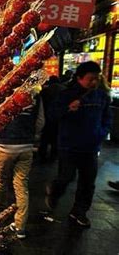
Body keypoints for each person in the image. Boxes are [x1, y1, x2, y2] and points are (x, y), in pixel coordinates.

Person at [45, 61, 112, 228]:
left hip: (91, 147)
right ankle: (54, 191)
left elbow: (107, 117)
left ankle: (79, 212)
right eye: (90, 79)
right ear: (79, 78)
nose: (94, 82)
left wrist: (101, 133)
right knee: (66, 177)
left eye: (97, 78)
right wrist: (68, 108)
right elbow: (52, 116)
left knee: (88, 182)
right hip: (68, 146)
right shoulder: (67, 94)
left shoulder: (101, 96)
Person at [0, 96, 44, 239]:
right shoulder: (36, 94)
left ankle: (0, 208)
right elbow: (40, 121)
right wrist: (32, 136)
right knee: (21, 185)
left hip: (5, 144)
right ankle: (20, 227)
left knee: (2, 179)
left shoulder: (6, 90)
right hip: (26, 146)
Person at [39, 76, 65, 163]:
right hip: (58, 118)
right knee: (55, 139)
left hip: (46, 116)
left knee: (45, 138)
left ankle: (42, 155)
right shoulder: (64, 90)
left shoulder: (45, 91)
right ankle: (53, 157)